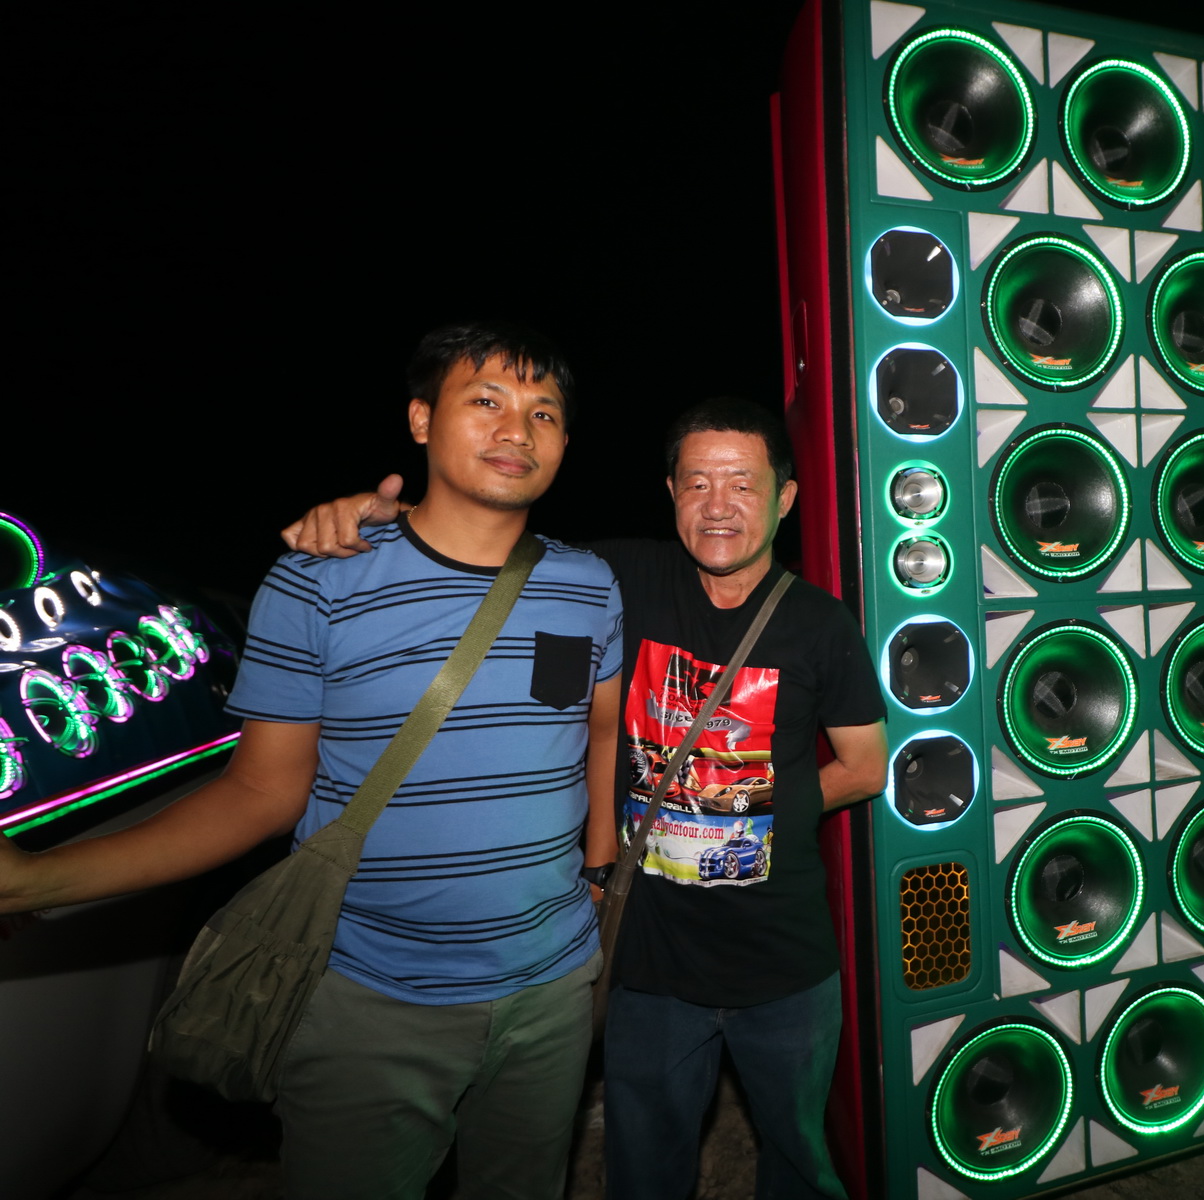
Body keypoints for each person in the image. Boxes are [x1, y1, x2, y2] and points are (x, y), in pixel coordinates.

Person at [0, 320, 624, 1200]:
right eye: (486, 400)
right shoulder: (317, 580)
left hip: (552, 993)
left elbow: (600, 733)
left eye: (544, 412)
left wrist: (598, 866)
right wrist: (39, 879)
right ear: (421, 419)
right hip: (372, 1001)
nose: (516, 429)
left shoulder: (588, 584)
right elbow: (258, 792)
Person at [282, 397, 889, 1200]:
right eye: (697, 482)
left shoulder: (821, 624)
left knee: (800, 1162)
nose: (718, 505)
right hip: (649, 958)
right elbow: (483, 545)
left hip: (784, 962)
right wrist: (369, 517)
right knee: (643, 1166)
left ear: (784, 498)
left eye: (743, 484)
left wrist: (735, 806)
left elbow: (865, 767)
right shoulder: (616, 579)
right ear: (670, 492)